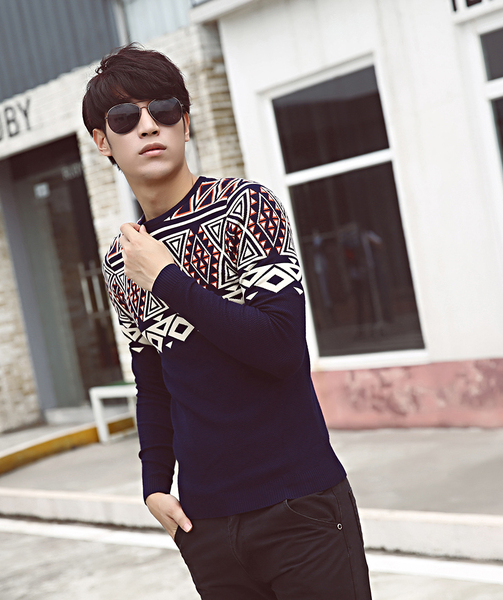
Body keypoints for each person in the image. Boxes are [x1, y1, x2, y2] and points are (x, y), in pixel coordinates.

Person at [82, 43, 372, 600]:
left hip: (300, 508)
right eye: (124, 117)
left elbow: (281, 349)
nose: (149, 126)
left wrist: (166, 279)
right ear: (103, 142)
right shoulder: (123, 260)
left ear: (185, 123)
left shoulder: (248, 207)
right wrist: (153, 485)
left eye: (164, 110)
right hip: (208, 528)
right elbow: (153, 385)